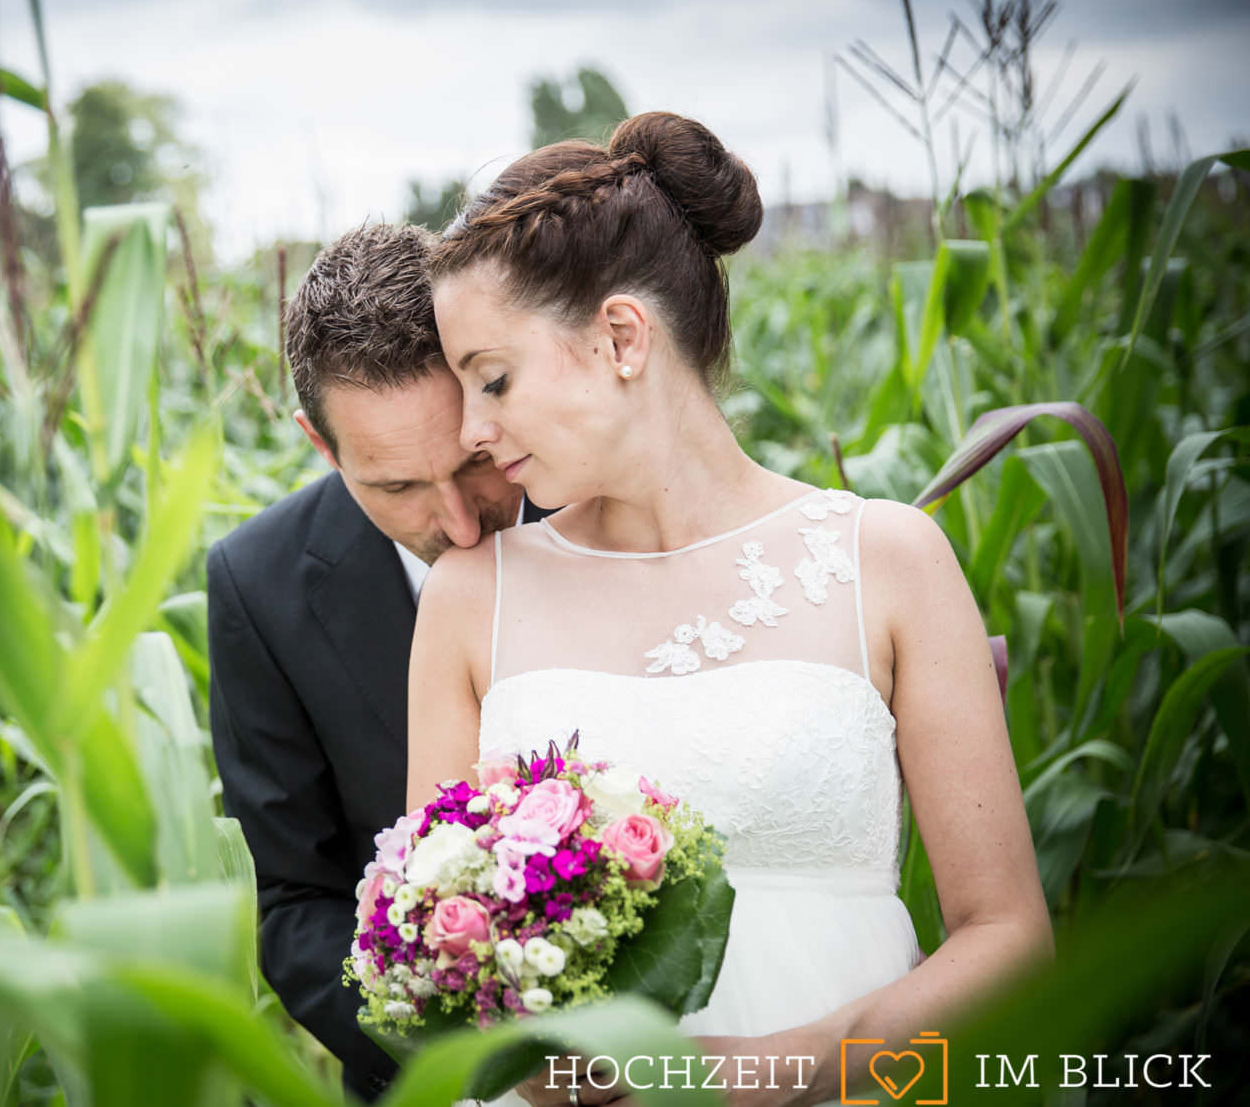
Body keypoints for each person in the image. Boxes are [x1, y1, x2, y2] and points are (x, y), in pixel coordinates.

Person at [405, 112, 1056, 1107]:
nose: (476, 431)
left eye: (492, 379)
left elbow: (1010, 940)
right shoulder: (470, 598)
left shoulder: (885, 561)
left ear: (622, 337)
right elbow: (440, 940)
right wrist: (520, 1058)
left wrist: (766, 1074)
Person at [208, 221, 549, 1103]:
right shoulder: (258, 584)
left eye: (475, 462)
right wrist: (455, 1056)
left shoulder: (605, 498)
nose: (463, 524)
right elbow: (295, 901)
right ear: (319, 445)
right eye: (397, 487)